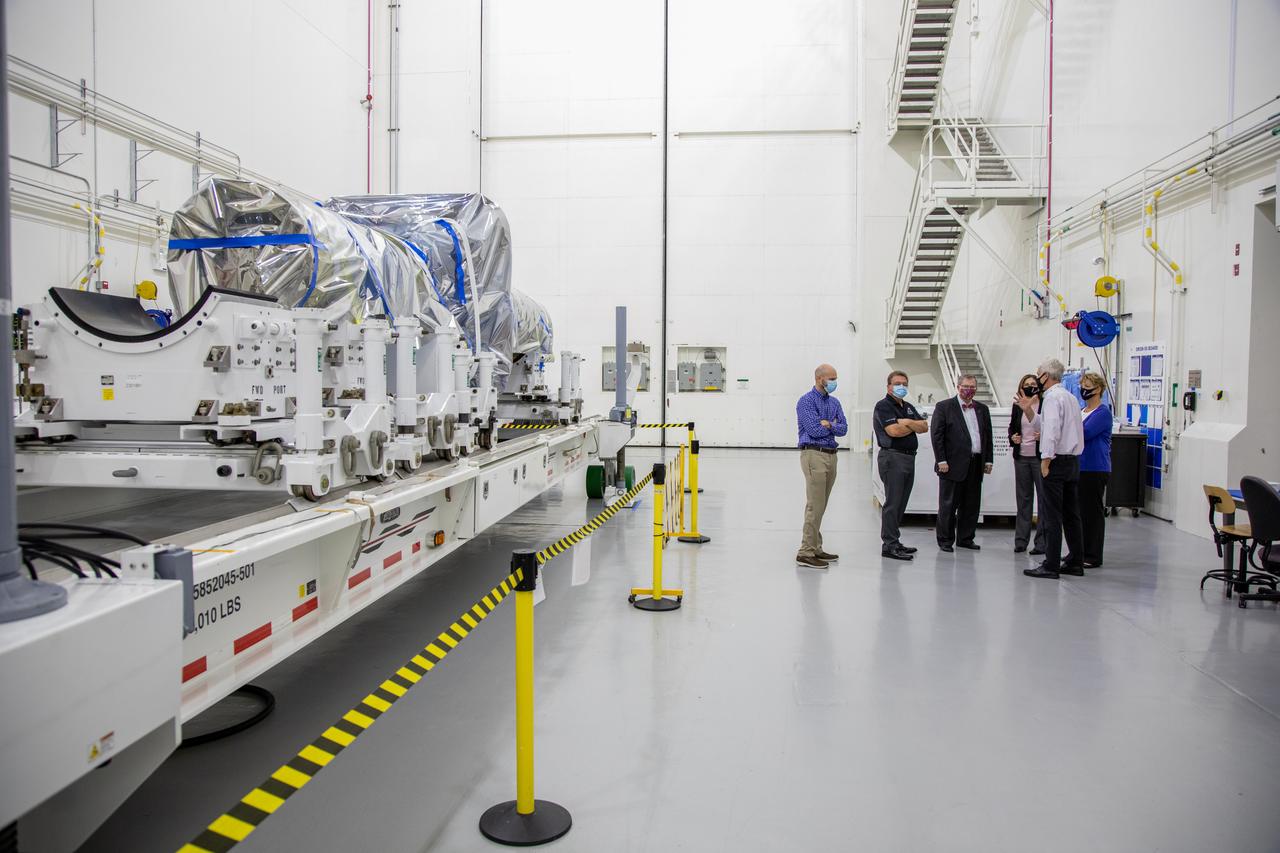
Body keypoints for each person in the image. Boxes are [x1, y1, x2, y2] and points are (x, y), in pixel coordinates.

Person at [1024, 358, 1085, 580]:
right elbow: (1051, 425)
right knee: (1071, 514)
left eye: (1038, 374)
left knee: (1051, 515)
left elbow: (1051, 432)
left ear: (1046, 376)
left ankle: (1051, 564)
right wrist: (1029, 411)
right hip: (1073, 462)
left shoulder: (1051, 398)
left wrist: (1046, 460)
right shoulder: (1069, 397)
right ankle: (1076, 560)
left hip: (1056, 462)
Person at [930, 374, 994, 552]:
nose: (969, 390)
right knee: (948, 504)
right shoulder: (944, 407)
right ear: (958, 387)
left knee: (971, 504)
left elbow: (987, 436)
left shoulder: (982, 409)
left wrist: (988, 459)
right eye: (966, 386)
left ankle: (966, 538)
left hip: (976, 463)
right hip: (951, 464)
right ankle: (945, 540)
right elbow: (937, 435)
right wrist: (941, 459)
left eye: (973, 387)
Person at [795, 364, 847, 569]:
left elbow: (843, 428)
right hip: (813, 454)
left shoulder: (834, 402)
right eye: (831, 378)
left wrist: (830, 424)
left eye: (835, 378)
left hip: (831, 455)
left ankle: (816, 546)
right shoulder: (806, 401)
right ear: (819, 379)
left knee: (821, 505)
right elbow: (814, 430)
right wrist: (826, 424)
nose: (834, 382)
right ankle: (805, 552)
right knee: (814, 505)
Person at [873, 370, 928, 560]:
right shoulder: (883, 406)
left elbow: (924, 426)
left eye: (904, 383)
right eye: (897, 383)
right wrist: (911, 425)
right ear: (888, 386)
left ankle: (895, 541)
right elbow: (894, 431)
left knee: (901, 502)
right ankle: (889, 545)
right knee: (893, 502)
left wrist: (907, 422)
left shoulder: (908, 407)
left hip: (908, 458)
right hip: (893, 458)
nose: (901, 387)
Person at [1010, 373, 1047, 555]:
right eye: (1027, 384)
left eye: (1033, 384)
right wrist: (1013, 437)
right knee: (1024, 500)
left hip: (1039, 458)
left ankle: (1041, 543)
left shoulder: (1046, 404)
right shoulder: (1018, 406)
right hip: (1022, 457)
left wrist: (1044, 436)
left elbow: (1051, 427)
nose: (1030, 386)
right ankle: (1021, 540)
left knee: (1043, 500)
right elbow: (1012, 427)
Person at [1078, 371, 1113, 568]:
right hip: (1080, 467)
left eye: (1088, 386)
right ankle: (1079, 550)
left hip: (1095, 468)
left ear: (1098, 389)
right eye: (1083, 386)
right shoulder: (1082, 411)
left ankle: (1092, 554)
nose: (1084, 390)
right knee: (1080, 512)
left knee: (1092, 513)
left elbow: (1085, 432)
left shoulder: (1103, 413)